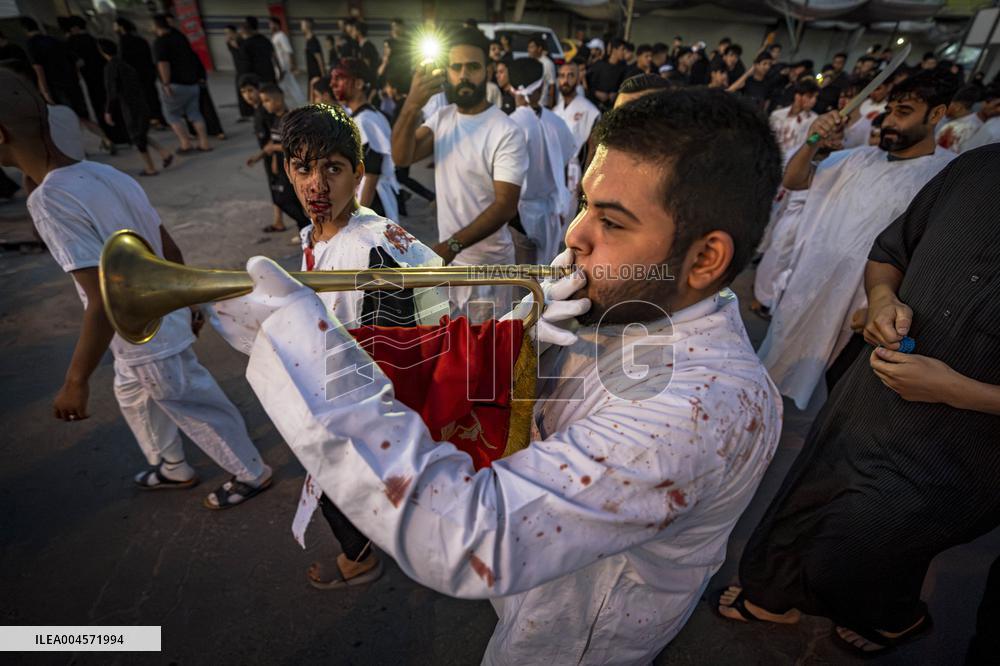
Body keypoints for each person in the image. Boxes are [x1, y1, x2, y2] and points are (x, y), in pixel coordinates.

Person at [214, 87, 784, 664]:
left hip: (577, 638)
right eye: (585, 203)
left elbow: (468, 535)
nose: (574, 235)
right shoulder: (628, 301)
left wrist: (308, 355)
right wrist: (523, 329)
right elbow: (478, 373)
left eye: (611, 222)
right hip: (541, 591)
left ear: (706, 259)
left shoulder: (700, 408)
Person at [721, 143, 1000, 656]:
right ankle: (772, 595)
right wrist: (883, 299)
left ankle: (894, 618)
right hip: (870, 398)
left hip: (967, 443)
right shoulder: (980, 167)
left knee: (868, 538)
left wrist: (957, 390)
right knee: (807, 498)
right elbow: (890, 254)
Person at [0, 69, 272, 509]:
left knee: (191, 403)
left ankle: (251, 472)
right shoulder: (105, 173)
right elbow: (167, 245)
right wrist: (187, 302)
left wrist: (75, 381)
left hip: (143, 332)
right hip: (149, 325)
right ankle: (171, 465)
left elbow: (103, 302)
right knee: (131, 393)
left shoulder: (49, 201)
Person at [214, 103, 446, 588]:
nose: (316, 185)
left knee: (333, 470)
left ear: (358, 174)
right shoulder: (321, 233)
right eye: (303, 168)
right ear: (287, 169)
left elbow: (403, 348)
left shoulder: (370, 248)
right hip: (346, 388)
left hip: (369, 401)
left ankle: (361, 557)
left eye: (333, 169)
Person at [757, 71, 957, 410]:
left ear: (936, 115)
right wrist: (813, 141)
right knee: (770, 378)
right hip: (811, 291)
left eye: (903, 112)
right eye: (890, 111)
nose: (890, 121)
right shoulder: (859, 158)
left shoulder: (945, 175)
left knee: (839, 397)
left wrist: (882, 300)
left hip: (868, 308)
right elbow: (794, 179)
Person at [391, 28, 527, 321]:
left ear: (488, 71)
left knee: (486, 359)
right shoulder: (442, 119)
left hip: (488, 271)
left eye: (473, 67)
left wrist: (451, 246)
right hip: (449, 264)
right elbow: (402, 156)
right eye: (456, 67)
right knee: (452, 352)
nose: (464, 75)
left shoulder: (505, 130)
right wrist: (412, 104)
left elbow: (505, 205)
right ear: (447, 72)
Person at [506, 58, 576, 265]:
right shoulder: (557, 123)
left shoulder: (508, 125)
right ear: (543, 86)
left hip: (518, 215)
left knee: (523, 281)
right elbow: (564, 165)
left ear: (511, 89)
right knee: (545, 276)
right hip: (551, 212)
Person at [21, 17, 112, 152]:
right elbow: (75, 61)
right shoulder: (55, 41)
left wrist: (44, 90)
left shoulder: (31, 45)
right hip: (71, 84)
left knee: (66, 120)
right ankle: (106, 139)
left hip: (56, 87)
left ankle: (79, 149)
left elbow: (38, 68)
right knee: (81, 116)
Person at [332, 58, 400, 222]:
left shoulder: (366, 121)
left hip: (374, 204)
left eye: (340, 79)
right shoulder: (365, 116)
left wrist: (356, 218)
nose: (333, 85)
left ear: (359, 84)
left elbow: (371, 174)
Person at [99, 40, 173, 177]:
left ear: (102, 52)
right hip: (141, 102)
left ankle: (150, 167)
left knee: (137, 136)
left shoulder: (111, 68)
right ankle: (164, 153)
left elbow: (112, 91)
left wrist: (108, 111)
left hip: (129, 105)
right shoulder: (125, 65)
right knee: (140, 134)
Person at [246, 83, 311, 234]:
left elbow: (296, 145)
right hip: (282, 168)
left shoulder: (289, 120)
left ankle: (306, 227)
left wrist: (273, 149)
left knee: (284, 200)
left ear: (278, 100)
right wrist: (259, 156)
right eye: (263, 102)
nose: (264, 105)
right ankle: (305, 229)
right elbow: (274, 141)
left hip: (293, 168)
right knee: (284, 200)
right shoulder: (276, 119)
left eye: (267, 101)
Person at [152, 14, 210, 154]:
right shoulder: (180, 37)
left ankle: (186, 144)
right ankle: (204, 143)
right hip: (192, 82)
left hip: (175, 84)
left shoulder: (160, 42)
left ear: (156, 26)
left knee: (172, 115)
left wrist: (165, 83)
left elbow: (163, 63)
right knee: (195, 113)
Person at [553, 61, 600, 222]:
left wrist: (586, 178)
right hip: (555, 169)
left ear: (578, 79)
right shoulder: (556, 110)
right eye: (562, 76)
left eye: (570, 75)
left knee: (568, 217)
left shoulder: (589, 110)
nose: (565, 80)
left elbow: (593, 147)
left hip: (574, 170)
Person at [64, 16, 123, 145]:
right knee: (112, 104)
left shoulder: (72, 42)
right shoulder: (95, 40)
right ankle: (122, 134)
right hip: (105, 76)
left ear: (74, 28)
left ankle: (110, 137)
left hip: (90, 80)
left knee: (100, 107)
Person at [114, 18, 166, 128]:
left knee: (140, 99)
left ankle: (150, 120)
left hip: (134, 76)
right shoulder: (140, 39)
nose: (114, 28)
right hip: (147, 72)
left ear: (121, 27)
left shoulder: (123, 42)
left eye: (115, 26)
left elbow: (123, 61)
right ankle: (158, 118)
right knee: (152, 96)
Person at [768, 78, 820, 162]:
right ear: (798, 96)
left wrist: (811, 139)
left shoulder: (816, 120)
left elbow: (813, 142)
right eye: (810, 96)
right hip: (772, 160)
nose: (814, 101)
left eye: (816, 97)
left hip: (795, 163)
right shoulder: (777, 115)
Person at [941, 83, 999, 153]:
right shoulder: (960, 126)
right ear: (984, 103)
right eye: (997, 105)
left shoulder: (990, 127)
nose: (998, 109)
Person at [269, 16, 305, 108]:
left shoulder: (281, 36)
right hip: (279, 67)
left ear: (276, 25)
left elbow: (289, 51)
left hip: (284, 67)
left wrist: (291, 65)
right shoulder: (275, 37)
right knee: (290, 86)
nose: (270, 26)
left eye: (271, 24)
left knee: (288, 86)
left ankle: (301, 104)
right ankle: (299, 104)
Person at [587, 38, 627, 110]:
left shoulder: (623, 68)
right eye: (622, 49)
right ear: (614, 50)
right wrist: (596, 93)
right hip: (594, 107)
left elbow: (622, 86)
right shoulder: (599, 65)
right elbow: (588, 85)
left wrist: (616, 94)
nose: (624, 52)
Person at [224, 25, 253, 121]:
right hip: (239, 71)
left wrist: (237, 46)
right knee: (240, 91)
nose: (227, 35)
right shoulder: (230, 43)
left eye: (229, 32)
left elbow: (245, 55)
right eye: (226, 33)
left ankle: (251, 112)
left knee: (249, 90)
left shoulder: (242, 42)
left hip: (246, 70)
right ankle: (244, 113)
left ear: (234, 32)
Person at [238, 16, 277, 85]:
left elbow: (245, 65)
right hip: (269, 77)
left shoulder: (246, 44)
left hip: (255, 81)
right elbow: (273, 57)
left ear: (245, 28)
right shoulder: (265, 40)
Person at [526, 34, 556, 108]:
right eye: (528, 47)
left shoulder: (547, 63)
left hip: (542, 105)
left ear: (539, 48)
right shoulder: (530, 62)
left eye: (532, 47)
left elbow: (552, 87)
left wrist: (550, 107)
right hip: (530, 105)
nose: (529, 50)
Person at [301, 18, 324, 103]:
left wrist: (322, 73)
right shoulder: (308, 40)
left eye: (302, 25)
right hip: (311, 73)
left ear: (307, 26)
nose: (301, 27)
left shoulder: (313, 41)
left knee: (316, 96)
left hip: (316, 73)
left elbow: (319, 57)